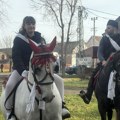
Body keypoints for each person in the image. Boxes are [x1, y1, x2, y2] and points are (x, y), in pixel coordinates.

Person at [5, 16, 70, 120]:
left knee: (60, 81)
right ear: (24, 26)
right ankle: (10, 112)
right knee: (9, 85)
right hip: (21, 69)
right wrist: (23, 71)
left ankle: (62, 106)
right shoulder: (18, 39)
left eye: (33, 24)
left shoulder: (40, 38)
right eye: (28, 24)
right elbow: (16, 57)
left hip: (39, 69)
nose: (31, 26)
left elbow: (45, 55)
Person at [79, 20, 120, 104]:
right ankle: (88, 95)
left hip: (118, 63)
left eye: (109, 28)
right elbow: (99, 52)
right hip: (106, 63)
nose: (106, 29)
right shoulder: (104, 38)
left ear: (115, 28)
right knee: (94, 75)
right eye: (106, 27)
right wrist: (103, 61)